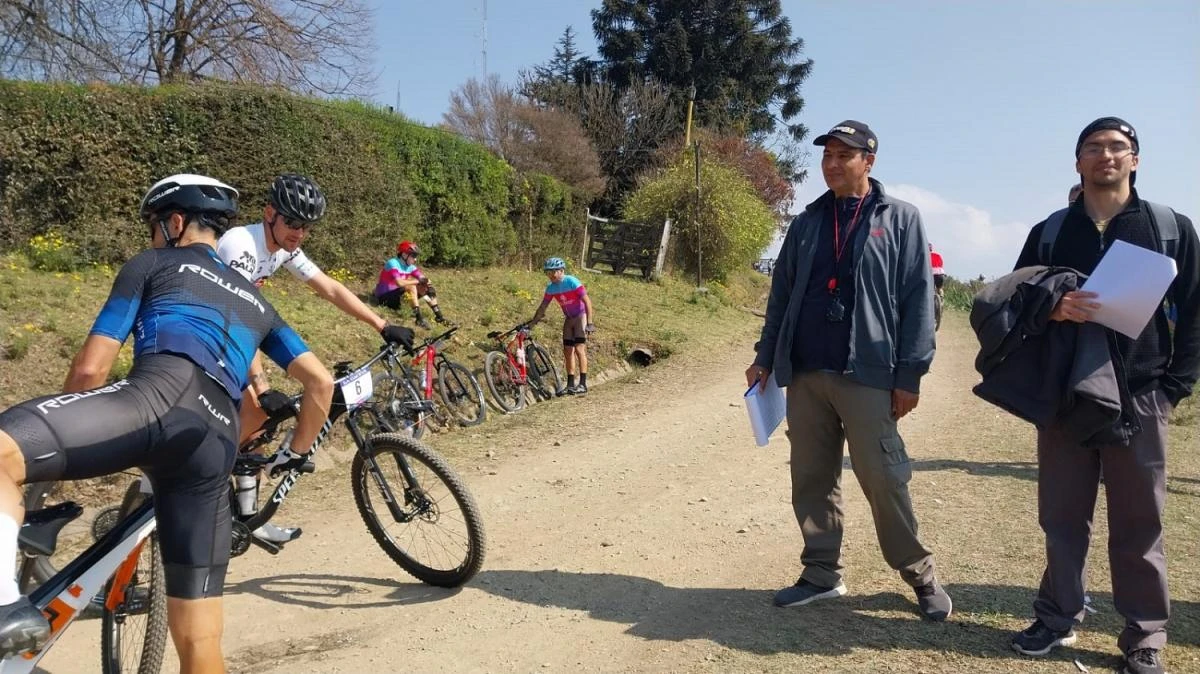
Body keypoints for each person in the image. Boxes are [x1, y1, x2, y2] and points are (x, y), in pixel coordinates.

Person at [0, 174, 336, 670]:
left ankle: (5, 604)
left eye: (155, 228)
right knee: (201, 645)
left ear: (175, 222)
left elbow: (91, 369)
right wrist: (297, 452)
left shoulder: (153, 263)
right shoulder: (258, 304)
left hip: (157, 398)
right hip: (215, 448)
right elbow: (321, 384)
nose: (153, 237)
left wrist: (51, 470)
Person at [1008, 117, 1198, 674]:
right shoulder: (1051, 230)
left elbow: (1193, 313)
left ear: (1135, 160)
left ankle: (1145, 635)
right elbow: (1016, 299)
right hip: (1067, 397)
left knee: (1140, 522)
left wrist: (1173, 388)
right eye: (1093, 148)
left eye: (1118, 147)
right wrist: (1052, 306)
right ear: (1078, 163)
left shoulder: (1170, 229)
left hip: (1141, 395)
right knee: (1062, 517)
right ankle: (1058, 615)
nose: (1106, 156)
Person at [745, 120, 951, 622]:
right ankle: (821, 573)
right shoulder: (807, 222)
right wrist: (766, 356)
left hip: (869, 372)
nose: (833, 164)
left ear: (869, 162)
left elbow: (917, 302)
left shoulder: (901, 219)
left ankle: (919, 573)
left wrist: (910, 376)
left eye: (845, 155)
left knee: (883, 476)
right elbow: (781, 297)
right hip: (808, 371)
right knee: (811, 476)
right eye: (828, 156)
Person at [216, 173, 413, 545]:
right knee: (255, 412)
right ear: (269, 213)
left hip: (253, 315)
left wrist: (381, 323)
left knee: (320, 383)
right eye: (292, 222)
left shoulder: (285, 247)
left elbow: (329, 287)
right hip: (217, 325)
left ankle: (273, 482)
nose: (299, 233)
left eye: (306, 226)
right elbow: (236, 317)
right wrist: (261, 383)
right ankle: (200, 475)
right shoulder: (240, 244)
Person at [528, 257, 594, 395]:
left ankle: (582, 384)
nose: (550, 275)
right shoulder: (551, 288)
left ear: (561, 271)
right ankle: (570, 385)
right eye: (548, 273)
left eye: (553, 272)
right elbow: (543, 306)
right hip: (569, 319)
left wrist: (589, 323)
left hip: (580, 317)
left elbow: (587, 301)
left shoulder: (571, 281)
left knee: (579, 349)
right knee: (567, 351)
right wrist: (533, 323)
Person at [373, 240, 452, 329]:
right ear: (404, 254)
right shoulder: (393, 263)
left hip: (399, 298)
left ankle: (439, 317)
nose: (415, 259)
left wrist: (426, 282)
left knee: (426, 288)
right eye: (413, 256)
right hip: (385, 298)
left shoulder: (411, 267)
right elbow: (400, 283)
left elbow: (423, 279)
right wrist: (418, 281)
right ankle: (418, 319)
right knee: (411, 286)